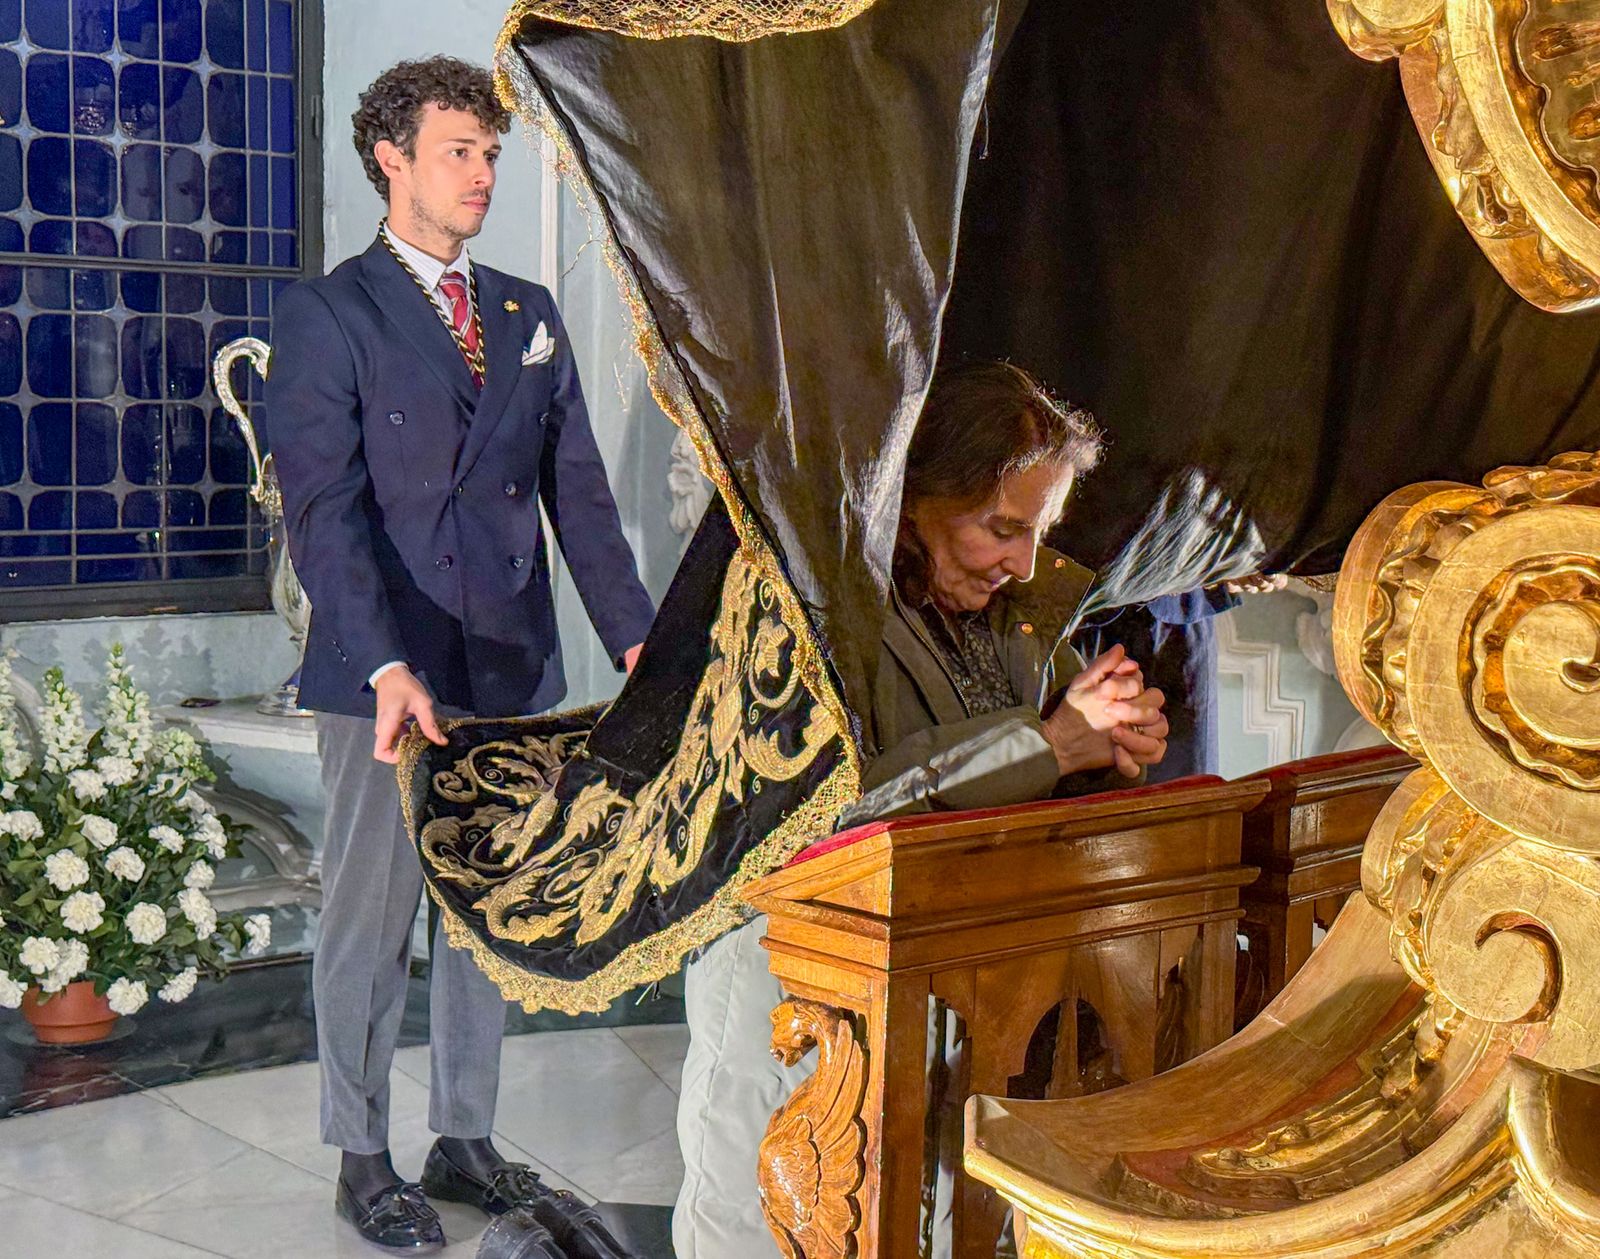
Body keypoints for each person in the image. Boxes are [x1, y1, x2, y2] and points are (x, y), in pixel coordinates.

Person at [266, 57, 655, 1253]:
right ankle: (362, 1152)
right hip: (385, 676)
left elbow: (578, 498)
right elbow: (321, 513)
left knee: (488, 916)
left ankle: (467, 1137)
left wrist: (640, 636)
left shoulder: (530, 314)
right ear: (391, 158)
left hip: (509, 671)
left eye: (491, 153)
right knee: (369, 927)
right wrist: (382, 664)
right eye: (460, 152)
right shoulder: (329, 315)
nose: (484, 172)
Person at [671, 360, 1170, 1259]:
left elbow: (1032, 759)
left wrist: (1110, 748)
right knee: (764, 1228)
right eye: (1001, 528)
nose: (1022, 563)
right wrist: (1050, 743)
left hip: (945, 990)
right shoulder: (805, 600)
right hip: (790, 997)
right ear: (913, 498)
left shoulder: (1006, 612)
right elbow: (827, 807)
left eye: (1035, 532)